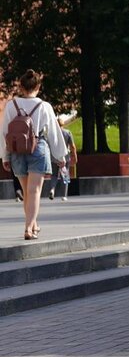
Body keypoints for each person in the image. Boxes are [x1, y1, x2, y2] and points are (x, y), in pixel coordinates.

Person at [2, 70, 68, 240]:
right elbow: (53, 133)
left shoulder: (11, 105)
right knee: (34, 191)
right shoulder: (44, 106)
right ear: (38, 86)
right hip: (38, 148)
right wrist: (60, 157)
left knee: (27, 191)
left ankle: (33, 224)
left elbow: (4, 133)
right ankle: (29, 227)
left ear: (21, 87)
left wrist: (5, 156)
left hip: (17, 150)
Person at [47, 116, 76, 201]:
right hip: (65, 156)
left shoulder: (52, 134)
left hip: (54, 156)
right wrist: (74, 156)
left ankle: (52, 189)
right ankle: (64, 195)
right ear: (63, 124)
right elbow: (72, 146)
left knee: (54, 175)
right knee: (65, 175)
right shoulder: (67, 132)